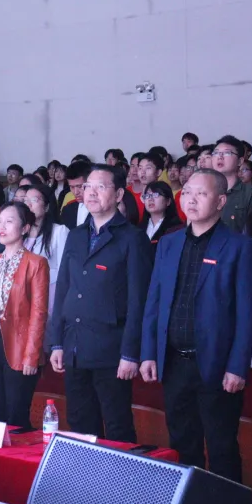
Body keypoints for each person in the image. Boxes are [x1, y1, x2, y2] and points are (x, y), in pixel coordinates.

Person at [139, 169, 252, 483]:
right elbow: (154, 301)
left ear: (221, 201)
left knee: (221, 446)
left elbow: (248, 315)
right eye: (188, 193)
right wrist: (149, 352)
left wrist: (237, 367)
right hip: (174, 362)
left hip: (217, 366)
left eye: (202, 194)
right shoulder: (168, 243)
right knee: (182, 443)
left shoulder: (240, 247)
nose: (192, 200)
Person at [47, 165, 153, 442]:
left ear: (118, 194)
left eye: (100, 187)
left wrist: (130, 354)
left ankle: (121, 472)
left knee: (117, 425)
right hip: (74, 345)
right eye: (88, 187)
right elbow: (64, 289)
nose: (91, 193)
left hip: (111, 349)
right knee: (80, 423)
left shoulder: (132, 238)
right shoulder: (76, 235)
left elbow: (138, 301)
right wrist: (56, 342)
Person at [0, 202, 49, 429]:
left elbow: (39, 313)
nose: (2, 227)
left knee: (16, 416)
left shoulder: (36, 263)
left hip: (20, 344)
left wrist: (31, 356)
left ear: (25, 228)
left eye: (9, 221)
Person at [22, 183, 69, 318]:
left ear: (47, 206)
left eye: (34, 200)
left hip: (49, 300)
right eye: (25, 200)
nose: (28, 204)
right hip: (23, 299)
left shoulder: (59, 231)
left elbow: (64, 271)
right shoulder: (20, 232)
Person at [214, 135, 252, 238]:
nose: (220, 157)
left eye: (227, 153)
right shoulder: (204, 191)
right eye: (216, 153)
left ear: (240, 161)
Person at [142, 181, 185, 250]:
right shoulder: (139, 228)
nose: (150, 199)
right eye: (147, 196)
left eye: (155, 195)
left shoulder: (177, 228)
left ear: (168, 201)